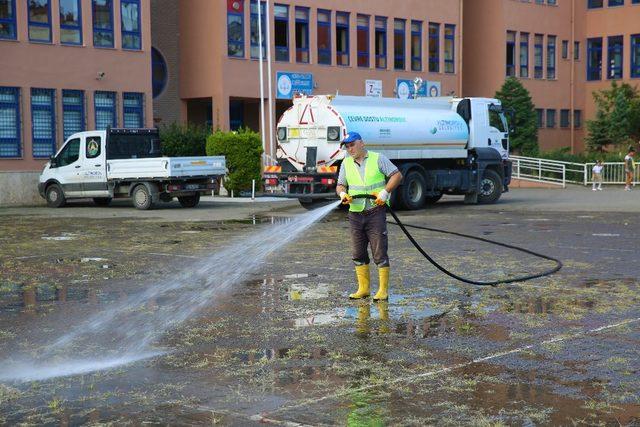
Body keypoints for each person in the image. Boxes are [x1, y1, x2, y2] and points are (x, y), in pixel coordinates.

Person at [335, 132, 403, 301]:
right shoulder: (346, 163)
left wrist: (385, 192)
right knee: (357, 252)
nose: (350, 149)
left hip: (375, 211)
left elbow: (397, 175)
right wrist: (342, 194)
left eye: (352, 145)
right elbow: (340, 184)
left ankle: (382, 291)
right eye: (347, 146)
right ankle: (363, 289)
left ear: (362, 143)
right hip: (355, 214)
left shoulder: (377, 158)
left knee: (379, 252)